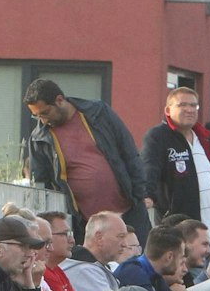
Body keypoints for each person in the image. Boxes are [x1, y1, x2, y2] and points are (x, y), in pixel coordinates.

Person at [24, 79, 152, 240]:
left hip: (129, 211)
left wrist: (140, 194)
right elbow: (42, 185)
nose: (42, 120)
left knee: (138, 260)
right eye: (36, 116)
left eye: (45, 113)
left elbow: (128, 150)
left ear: (59, 100)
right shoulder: (39, 139)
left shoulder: (98, 113)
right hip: (87, 224)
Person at [142, 87, 210, 249]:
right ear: (168, 109)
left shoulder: (203, 137)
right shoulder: (159, 136)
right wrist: (147, 194)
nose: (189, 110)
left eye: (194, 106)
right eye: (182, 105)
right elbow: (150, 167)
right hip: (179, 232)